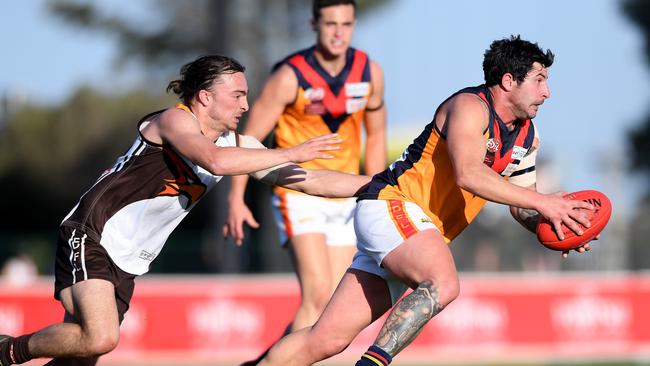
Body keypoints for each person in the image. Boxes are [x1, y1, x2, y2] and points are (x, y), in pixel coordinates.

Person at [0, 55, 371, 366]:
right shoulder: (175, 121)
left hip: (128, 259)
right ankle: (6, 350)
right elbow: (214, 160)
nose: (245, 105)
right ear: (205, 97)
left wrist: (381, 186)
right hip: (93, 233)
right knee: (100, 337)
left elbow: (309, 180)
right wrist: (289, 151)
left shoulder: (237, 144)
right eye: (238, 95)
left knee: (81, 354)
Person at [256, 35, 596, 366]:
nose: (547, 92)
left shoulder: (526, 135)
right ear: (508, 81)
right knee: (443, 283)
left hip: (409, 231)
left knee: (325, 339)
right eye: (539, 80)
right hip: (393, 207)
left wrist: (555, 223)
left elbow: (523, 203)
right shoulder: (470, 107)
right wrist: (545, 203)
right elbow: (469, 173)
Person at [225, 0, 386, 358]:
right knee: (316, 295)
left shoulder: (369, 72)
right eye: (330, 23)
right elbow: (246, 143)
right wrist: (236, 198)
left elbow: (375, 136)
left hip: (347, 192)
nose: (338, 32)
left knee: (331, 305)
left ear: (354, 25)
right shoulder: (290, 76)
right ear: (314, 24)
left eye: (345, 24)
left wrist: (377, 190)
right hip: (298, 191)